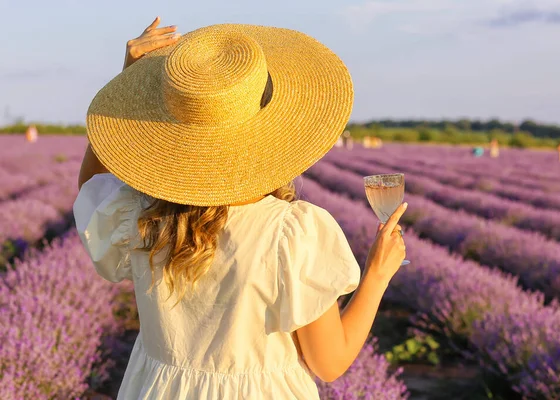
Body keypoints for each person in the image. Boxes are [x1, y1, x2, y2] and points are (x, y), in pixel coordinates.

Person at [73, 18, 408, 400]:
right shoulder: (291, 232)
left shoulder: (143, 217)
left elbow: (89, 191)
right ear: (270, 129)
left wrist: (124, 88)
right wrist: (378, 274)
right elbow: (329, 363)